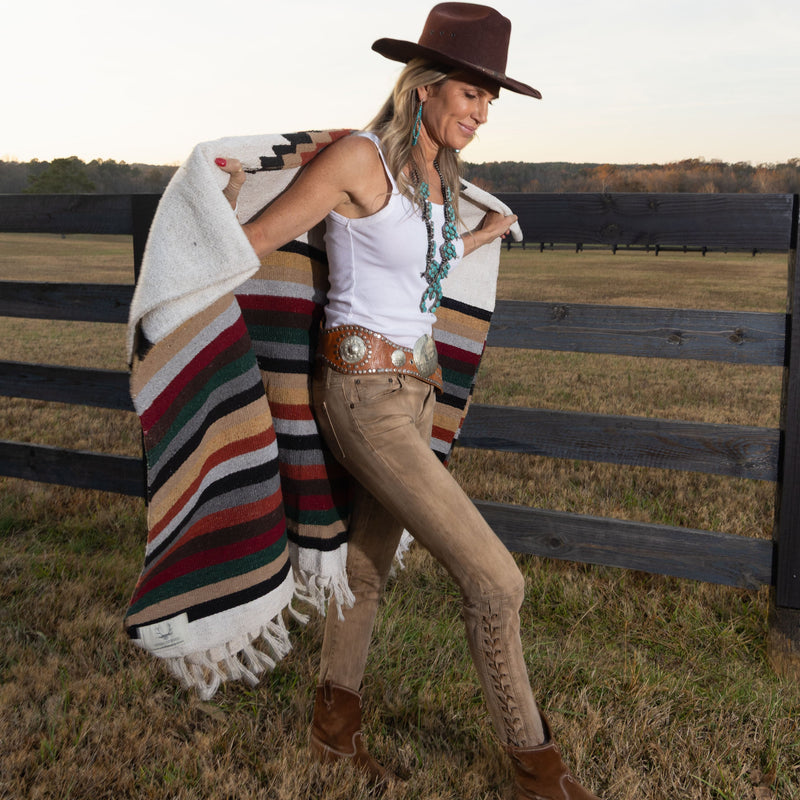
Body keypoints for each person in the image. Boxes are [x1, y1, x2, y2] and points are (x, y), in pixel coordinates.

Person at [216, 5, 604, 799]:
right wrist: (219, 202)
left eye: (490, 100)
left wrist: (485, 233)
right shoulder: (362, 160)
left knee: (365, 565)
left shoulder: (437, 179)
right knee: (497, 583)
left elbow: (424, 256)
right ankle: (539, 773)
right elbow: (259, 240)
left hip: (416, 394)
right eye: (471, 93)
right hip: (361, 398)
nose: (482, 111)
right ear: (424, 87)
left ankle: (332, 730)